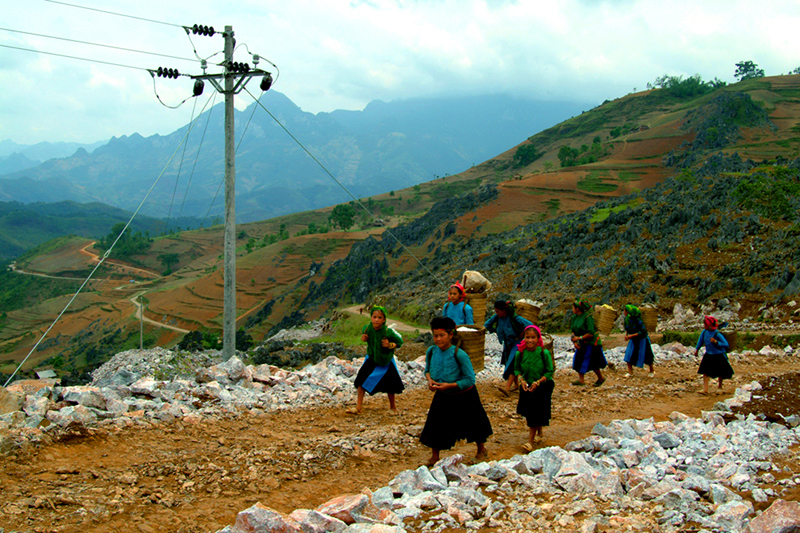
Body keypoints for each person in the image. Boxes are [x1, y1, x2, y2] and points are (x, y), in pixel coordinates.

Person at [420, 316, 493, 466]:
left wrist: (450, 385)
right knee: (436, 423)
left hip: (465, 394)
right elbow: (427, 370)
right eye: (435, 336)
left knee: (474, 423)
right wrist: (430, 380)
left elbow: (470, 379)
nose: (438, 339)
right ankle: (435, 456)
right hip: (443, 393)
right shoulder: (431, 352)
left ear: (451, 335)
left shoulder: (459, 354)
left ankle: (481, 450)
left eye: (442, 335)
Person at [348, 306, 404, 415]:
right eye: (374, 317)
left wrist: (390, 345)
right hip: (372, 359)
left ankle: (393, 407)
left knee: (390, 385)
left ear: (384, 320)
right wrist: (364, 338)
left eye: (379, 317)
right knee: (361, 381)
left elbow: (400, 342)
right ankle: (358, 406)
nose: (376, 320)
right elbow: (364, 334)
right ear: (371, 318)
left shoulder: (388, 332)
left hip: (385, 360)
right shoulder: (367, 329)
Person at [513, 325, 555, 451]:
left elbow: (549, 371)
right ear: (524, 338)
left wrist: (538, 382)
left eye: (533, 338)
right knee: (533, 411)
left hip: (543, 386)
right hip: (527, 386)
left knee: (534, 413)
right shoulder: (520, 354)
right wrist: (521, 380)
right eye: (527, 337)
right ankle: (540, 433)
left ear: (538, 339)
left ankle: (530, 442)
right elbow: (517, 369)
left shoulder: (544, 353)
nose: (530, 340)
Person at [484, 300, 532, 395]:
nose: (497, 313)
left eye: (498, 311)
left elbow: (529, 324)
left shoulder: (514, 317)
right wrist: (495, 331)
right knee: (508, 363)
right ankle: (516, 385)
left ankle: (507, 387)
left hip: (517, 343)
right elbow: (487, 325)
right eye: (496, 311)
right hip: (507, 344)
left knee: (512, 364)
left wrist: (523, 333)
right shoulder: (497, 317)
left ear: (504, 311)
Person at [570, 298, 607, 386]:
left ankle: (601, 378)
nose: (572, 309)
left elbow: (591, 333)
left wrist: (579, 338)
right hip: (581, 342)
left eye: (573, 307)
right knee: (578, 360)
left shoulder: (588, 317)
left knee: (592, 362)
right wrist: (574, 342)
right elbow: (573, 331)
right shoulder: (574, 317)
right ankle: (581, 380)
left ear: (577, 308)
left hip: (591, 343)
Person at [695, 315, 733, 395]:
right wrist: (697, 349)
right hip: (709, 354)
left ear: (709, 326)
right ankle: (705, 389)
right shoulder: (704, 332)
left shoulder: (717, 334)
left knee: (720, 372)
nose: (704, 326)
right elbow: (701, 340)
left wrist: (716, 342)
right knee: (705, 371)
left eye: (705, 325)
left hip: (718, 355)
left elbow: (726, 344)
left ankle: (720, 388)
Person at [623, 304, 655, 377]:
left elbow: (643, 331)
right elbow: (627, 328)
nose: (624, 313)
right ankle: (630, 372)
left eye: (625, 311)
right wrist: (626, 334)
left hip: (642, 339)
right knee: (628, 354)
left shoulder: (638, 319)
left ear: (628, 311)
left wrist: (631, 336)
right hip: (633, 339)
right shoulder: (627, 319)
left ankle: (652, 370)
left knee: (647, 355)